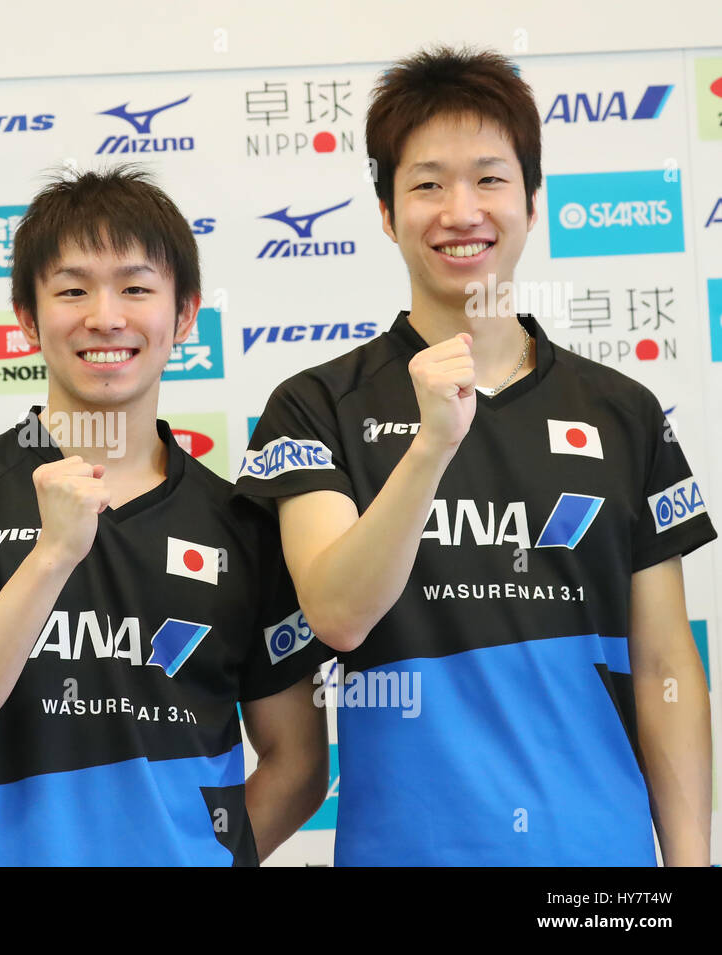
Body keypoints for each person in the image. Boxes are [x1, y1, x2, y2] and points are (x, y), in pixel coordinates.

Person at [236, 46, 714, 865]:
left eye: (490, 179)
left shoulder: (621, 412)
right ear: (386, 212)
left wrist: (691, 865)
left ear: (532, 200)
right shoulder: (316, 406)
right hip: (408, 850)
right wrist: (431, 445)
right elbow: (337, 614)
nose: (461, 210)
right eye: (426, 184)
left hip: (599, 867)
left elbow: (667, 665)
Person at [0, 166, 329, 866]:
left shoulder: (246, 525)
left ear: (186, 314)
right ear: (27, 318)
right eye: (72, 290)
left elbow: (297, 764)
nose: (105, 317)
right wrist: (51, 556)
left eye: (136, 288)